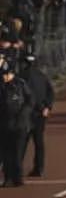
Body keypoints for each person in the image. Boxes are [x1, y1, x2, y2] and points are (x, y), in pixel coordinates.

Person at [1, 57, 34, 186]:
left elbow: (30, 101)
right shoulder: (2, 87)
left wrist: (23, 114)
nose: (4, 77)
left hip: (19, 125)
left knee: (17, 152)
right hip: (4, 125)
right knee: (6, 154)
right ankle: (8, 178)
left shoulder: (20, 84)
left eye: (6, 75)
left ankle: (18, 178)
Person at [19, 56, 53, 177]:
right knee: (38, 142)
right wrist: (47, 107)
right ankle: (39, 168)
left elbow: (28, 95)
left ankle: (17, 168)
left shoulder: (22, 77)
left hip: (27, 114)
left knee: (21, 142)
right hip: (40, 114)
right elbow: (50, 92)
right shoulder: (42, 76)